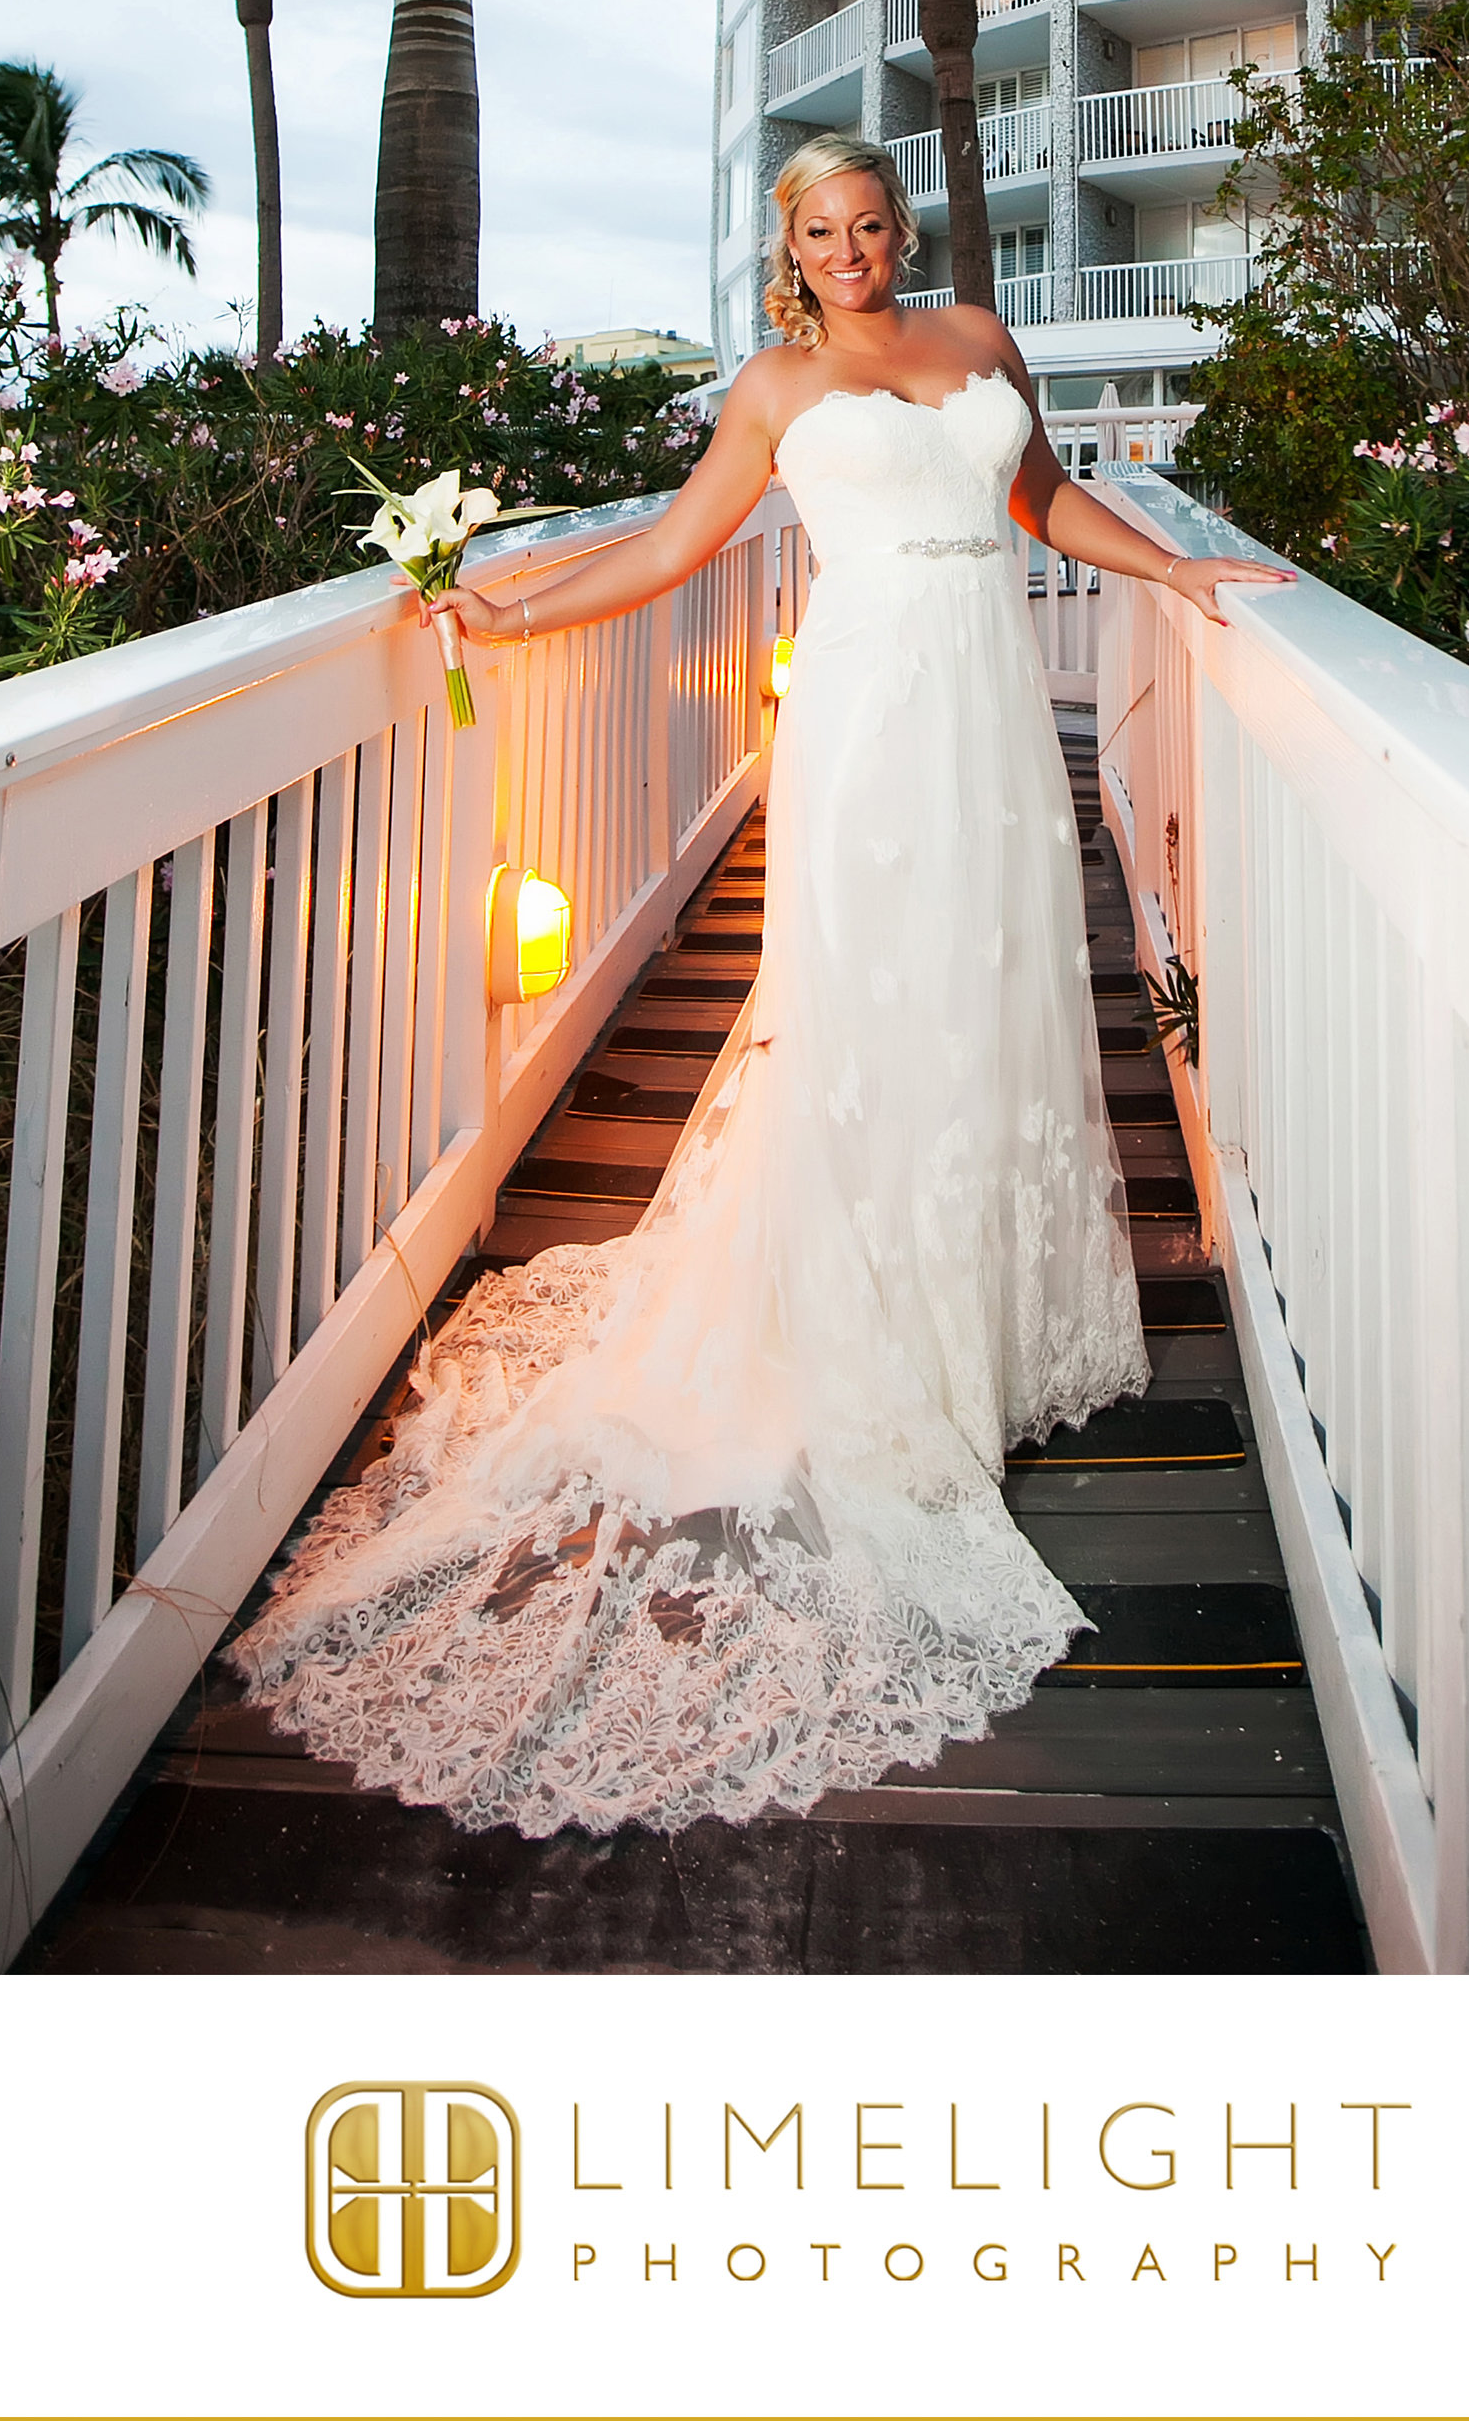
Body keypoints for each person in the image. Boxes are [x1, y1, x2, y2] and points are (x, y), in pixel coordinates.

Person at [231, 136, 1279, 1837]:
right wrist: (509, 609)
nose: (852, 249)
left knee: (991, 999)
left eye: (872, 224)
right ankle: (872, 1350)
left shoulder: (977, 342)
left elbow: (1049, 504)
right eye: (822, 231)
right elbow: (668, 548)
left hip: (990, 713)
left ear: (900, 232)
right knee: (867, 1016)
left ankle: (976, 1328)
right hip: (865, 716)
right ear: (787, 249)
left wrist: (1182, 569)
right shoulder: (778, 382)